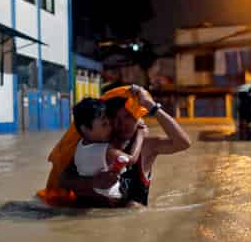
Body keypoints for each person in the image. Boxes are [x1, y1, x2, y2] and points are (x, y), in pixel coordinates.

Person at [60, 85, 191, 207]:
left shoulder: (147, 146)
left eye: (128, 116)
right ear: (107, 120)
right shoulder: (95, 143)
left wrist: (152, 106)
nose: (122, 124)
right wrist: (92, 182)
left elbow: (183, 143)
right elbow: (64, 180)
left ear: (138, 117)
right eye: (115, 118)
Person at [72, 98, 140, 201]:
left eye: (109, 123)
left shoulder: (79, 145)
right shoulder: (107, 151)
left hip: (87, 197)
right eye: (104, 124)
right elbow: (131, 160)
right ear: (85, 129)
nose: (110, 127)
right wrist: (140, 135)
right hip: (111, 200)